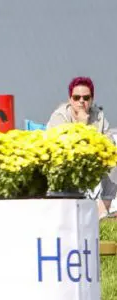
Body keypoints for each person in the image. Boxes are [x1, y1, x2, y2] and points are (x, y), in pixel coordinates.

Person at [47, 76, 116, 218]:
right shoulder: (60, 116)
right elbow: (68, 146)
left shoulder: (98, 116)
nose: (81, 101)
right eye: (77, 97)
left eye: (86, 98)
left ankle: (102, 211)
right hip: (64, 161)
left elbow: (109, 142)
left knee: (113, 161)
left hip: (91, 159)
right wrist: (82, 125)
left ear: (91, 99)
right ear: (70, 99)